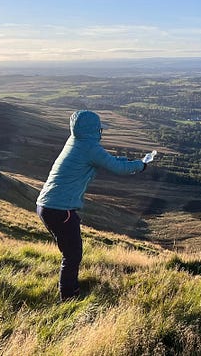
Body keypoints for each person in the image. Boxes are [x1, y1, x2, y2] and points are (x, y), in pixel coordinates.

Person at [36, 110, 147, 301]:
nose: (101, 131)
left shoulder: (75, 141)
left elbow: (107, 161)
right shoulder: (89, 147)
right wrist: (141, 165)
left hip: (46, 205)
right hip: (61, 209)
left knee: (70, 253)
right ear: (95, 129)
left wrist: (127, 161)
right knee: (72, 256)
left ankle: (70, 291)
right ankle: (69, 297)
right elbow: (118, 168)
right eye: (99, 128)